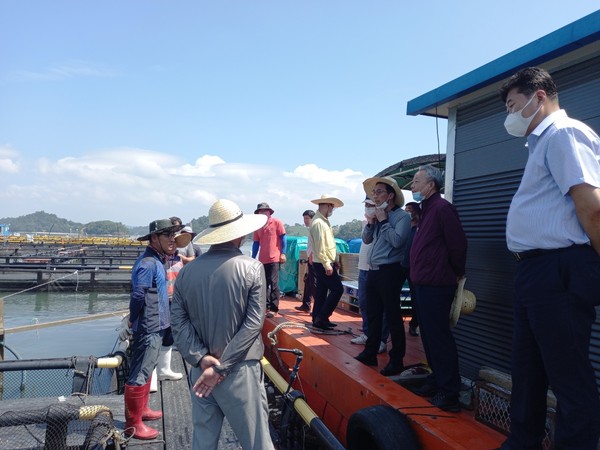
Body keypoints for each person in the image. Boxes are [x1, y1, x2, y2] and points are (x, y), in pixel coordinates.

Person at [498, 67, 600, 450]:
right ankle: (522, 442)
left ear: (539, 96)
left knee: (568, 375)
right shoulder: (540, 143)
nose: (509, 116)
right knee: (527, 369)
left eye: (512, 104)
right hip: (533, 270)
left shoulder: (564, 133)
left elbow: (592, 209)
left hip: (558, 269)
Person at [170, 199, 274, 450]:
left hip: (201, 371)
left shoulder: (187, 272)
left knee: (203, 440)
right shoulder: (252, 267)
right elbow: (253, 324)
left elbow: (178, 321)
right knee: (257, 441)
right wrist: (221, 368)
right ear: (239, 235)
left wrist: (201, 358)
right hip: (239, 369)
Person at [409, 165, 467, 412]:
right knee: (429, 336)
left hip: (437, 283)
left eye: (416, 181)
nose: (413, 185)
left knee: (439, 337)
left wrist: (455, 272)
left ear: (430, 185)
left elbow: (458, 245)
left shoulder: (443, 209)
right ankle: (436, 379)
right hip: (423, 282)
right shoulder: (426, 210)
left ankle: (449, 392)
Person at [123, 218, 183, 439]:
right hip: (148, 326)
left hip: (156, 324)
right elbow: (138, 294)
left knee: (147, 370)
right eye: (167, 235)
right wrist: (132, 319)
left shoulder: (156, 260)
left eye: (173, 235)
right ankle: (133, 423)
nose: (172, 239)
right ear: (154, 238)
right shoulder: (148, 263)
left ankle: (143, 411)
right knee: (139, 373)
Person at [354, 177, 411, 376]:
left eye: (379, 192)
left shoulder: (401, 217)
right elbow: (367, 240)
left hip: (391, 271)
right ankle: (370, 352)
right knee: (373, 313)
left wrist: (384, 221)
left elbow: (397, 241)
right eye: (374, 193)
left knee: (393, 316)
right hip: (374, 270)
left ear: (390, 195)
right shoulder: (379, 215)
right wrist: (371, 222)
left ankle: (397, 360)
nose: (375, 196)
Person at [351, 197, 389, 354]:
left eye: (370, 205)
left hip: (378, 268)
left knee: (382, 307)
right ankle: (367, 333)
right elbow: (366, 241)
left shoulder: (385, 222)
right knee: (364, 303)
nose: (367, 208)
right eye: (366, 205)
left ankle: (381, 339)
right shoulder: (365, 223)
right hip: (363, 267)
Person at [309, 195, 344, 330]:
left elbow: (328, 244)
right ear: (328, 206)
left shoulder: (323, 221)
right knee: (337, 289)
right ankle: (322, 317)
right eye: (332, 207)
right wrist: (327, 263)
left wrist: (334, 260)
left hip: (323, 262)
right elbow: (320, 246)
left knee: (322, 292)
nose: (332, 210)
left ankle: (317, 318)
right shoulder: (319, 223)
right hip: (323, 262)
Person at [251, 202, 287, 317]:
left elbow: (283, 238)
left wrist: (283, 253)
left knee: (274, 282)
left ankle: (274, 308)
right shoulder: (257, 226)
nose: (262, 213)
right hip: (262, 259)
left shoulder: (277, 222)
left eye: (264, 211)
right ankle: (265, 305)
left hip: (274, 258)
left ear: (269, 212)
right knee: (263, 283)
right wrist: (253, 258)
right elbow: (256, 244)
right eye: (260, 211)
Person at [403, 202, 421, 337]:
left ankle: (414, 324)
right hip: (400, 264)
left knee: (416, 297)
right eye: (406, 210)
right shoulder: (404, 227)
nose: (407, 212)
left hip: (413, 266)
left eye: (410, 210)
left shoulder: (420, 228)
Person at [296, 210, 316, 312]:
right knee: (307, 282)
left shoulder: (315, 229)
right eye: (304, 218)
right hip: (310, 259)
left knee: (314, 284)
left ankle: (316, 309)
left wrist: (311, 258)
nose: (305, 221)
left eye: (307, 218)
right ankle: (306, 304)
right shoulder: (310, 230)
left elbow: (314, 245)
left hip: (314, 260)